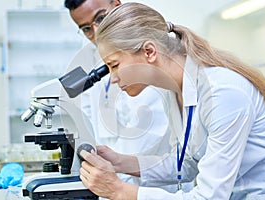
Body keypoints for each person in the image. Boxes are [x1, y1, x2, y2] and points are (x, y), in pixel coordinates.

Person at [78, 2, 265, 199]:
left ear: (149, 52)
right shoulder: (174, 92)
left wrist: (120, 191)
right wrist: (121, 162)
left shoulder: (221, 93)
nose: (113, 78)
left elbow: (209, 197)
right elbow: (187, 165)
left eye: (114, 65)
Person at [64, 0, 194, 193]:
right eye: (85, 29)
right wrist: (115, 163)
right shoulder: (97, 61)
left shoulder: (154, 69)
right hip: (125, 182)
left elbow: (178, 159)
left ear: (117, 5)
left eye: (101, 18)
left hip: (158, 189)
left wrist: (118, 187)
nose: (97, 33)